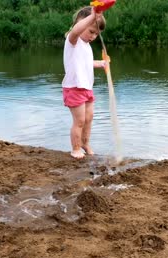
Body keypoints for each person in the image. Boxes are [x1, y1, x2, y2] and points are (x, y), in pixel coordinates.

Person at [62, 6, 107, 159]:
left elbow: (85, 63)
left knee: (89, 118)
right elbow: (76, 30)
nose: (94, 36)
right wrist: (93, 15)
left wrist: (100, 63)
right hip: (74, 88)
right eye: (91, 31)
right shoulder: (72, 40)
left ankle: (85, 143)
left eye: (97, 33)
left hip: (86, 88)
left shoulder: (86, 46)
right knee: (79, 120)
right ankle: (75, 148)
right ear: (81, 25)